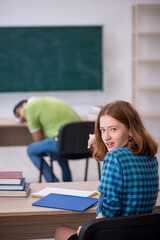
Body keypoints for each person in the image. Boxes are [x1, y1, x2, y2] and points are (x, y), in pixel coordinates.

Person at [54, 100, 159, 240]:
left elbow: (109, 210)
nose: (106, 137)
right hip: (142, 234)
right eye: (102, 130)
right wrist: (98, 137)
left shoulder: (114, 157)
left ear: (131, 130)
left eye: (113, 129)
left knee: (62, 230)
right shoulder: (150, 156)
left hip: (114, 234)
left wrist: (87, 229)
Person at [13, 96, 82, 182]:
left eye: (18, 113)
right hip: (82, 145)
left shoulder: (29, 108)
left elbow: (38, 139)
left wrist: (30, 124)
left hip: (65, 145)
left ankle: (53, 181)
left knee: (31, 149)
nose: (20, 118)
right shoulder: (49, 100)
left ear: (24, 104)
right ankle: (67, 181)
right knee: (57, 143)